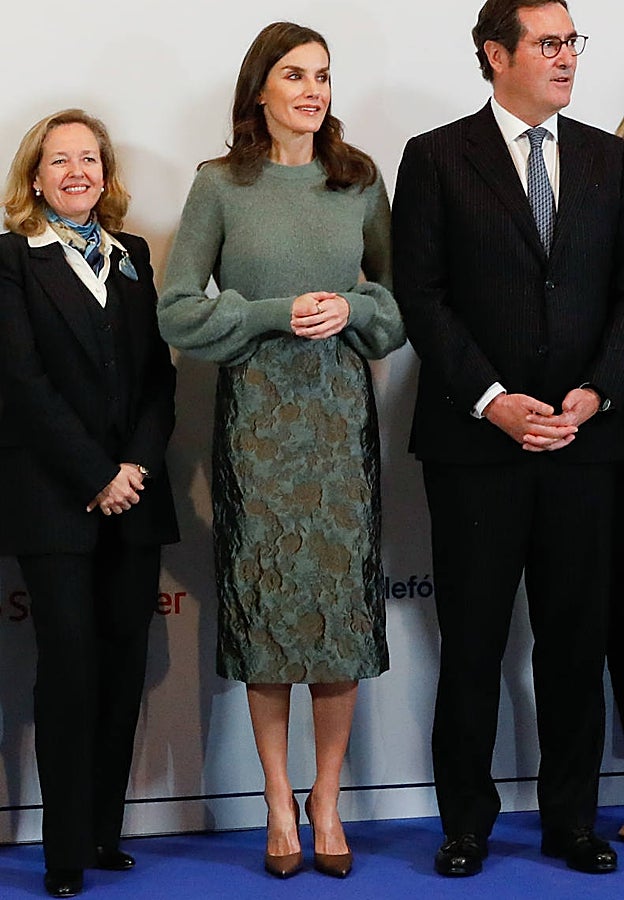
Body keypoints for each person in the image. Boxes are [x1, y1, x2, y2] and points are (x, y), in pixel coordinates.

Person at [158, 20, 404, 880]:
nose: (312, 90)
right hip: (255, 430)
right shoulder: (220, 185)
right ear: (259, 86)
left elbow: (398, 303)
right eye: (294, 74)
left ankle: (328, 805)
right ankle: (276, 805)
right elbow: (179, 309)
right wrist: (267, 313)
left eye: (324, 76)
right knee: (268, 621)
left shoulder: (360, 179)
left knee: (336, 623)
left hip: (339, 429)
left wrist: (355, 311)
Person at [393, 0, 624, 878]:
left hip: (586, 445)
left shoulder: (610, 157)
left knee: (575, 644)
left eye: (574, 42)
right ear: (496, 54)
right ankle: (466, 824)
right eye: (548, 44)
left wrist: (596, 393)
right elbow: (423, 295)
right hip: (476, 448)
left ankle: (573, 819)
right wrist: (491, 398)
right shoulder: (435, 156)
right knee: (476, 644)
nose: (567, 58)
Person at [0, 109, 179, 898]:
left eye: (89, 159)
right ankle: (64, 849)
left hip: (135, 497)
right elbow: (21, 384)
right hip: (56, 502)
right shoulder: (10, 260)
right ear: (33, 177)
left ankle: (104, 834)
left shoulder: (134, 254)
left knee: (122, 669)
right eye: (59, 160)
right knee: (69, 671)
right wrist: (95, 474)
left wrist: (134, 464)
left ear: (106, 172)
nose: (77, 171)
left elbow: (157, 379)